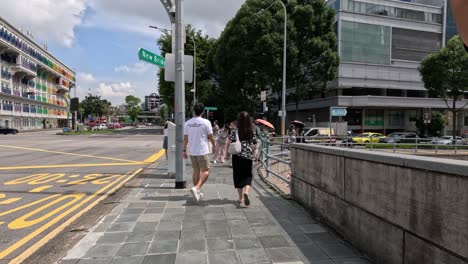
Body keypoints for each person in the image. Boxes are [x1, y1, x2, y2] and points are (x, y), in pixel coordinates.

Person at [183, 102, 216, 202]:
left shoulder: (188, 123)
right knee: (206, 171)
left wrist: (184, 150)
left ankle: (197, 190)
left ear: (194, 110)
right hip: (202, 150)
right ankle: (196, 188)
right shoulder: (206, 122)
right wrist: (214, 145)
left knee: (196, 171)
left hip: (192, 151)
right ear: (202, 111)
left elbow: (185, 138)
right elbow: (211, 136)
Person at [230, 111, 257, 206]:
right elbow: (254, 143)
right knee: (248, 175)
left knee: (238, 175)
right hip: (248, 156)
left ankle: (240, 198)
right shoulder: (251, 131)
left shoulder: (235, 130)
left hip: (237, 156)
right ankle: (247, 192)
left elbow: (231, 141)